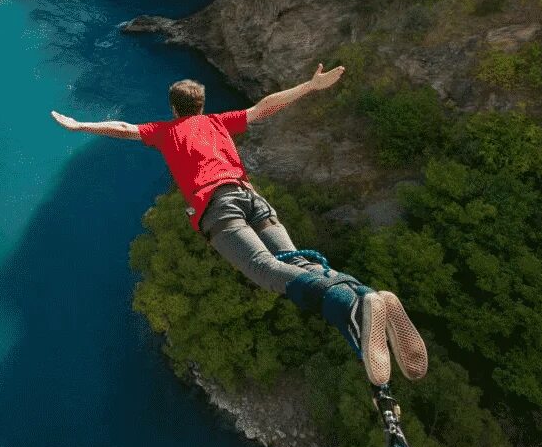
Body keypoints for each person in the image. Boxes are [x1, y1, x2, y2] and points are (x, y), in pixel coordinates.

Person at [50, 63, 428, 386]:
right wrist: (310, 87)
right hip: (251, 197)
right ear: (202, 104)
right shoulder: (218, 122)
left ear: (173, 108)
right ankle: (364, 295)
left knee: (265, 270)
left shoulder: (166, 131)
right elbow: (265, 107)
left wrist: (80, 126)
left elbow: (125, 128)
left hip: (218, 207)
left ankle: (350, 307)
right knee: (296, 261)